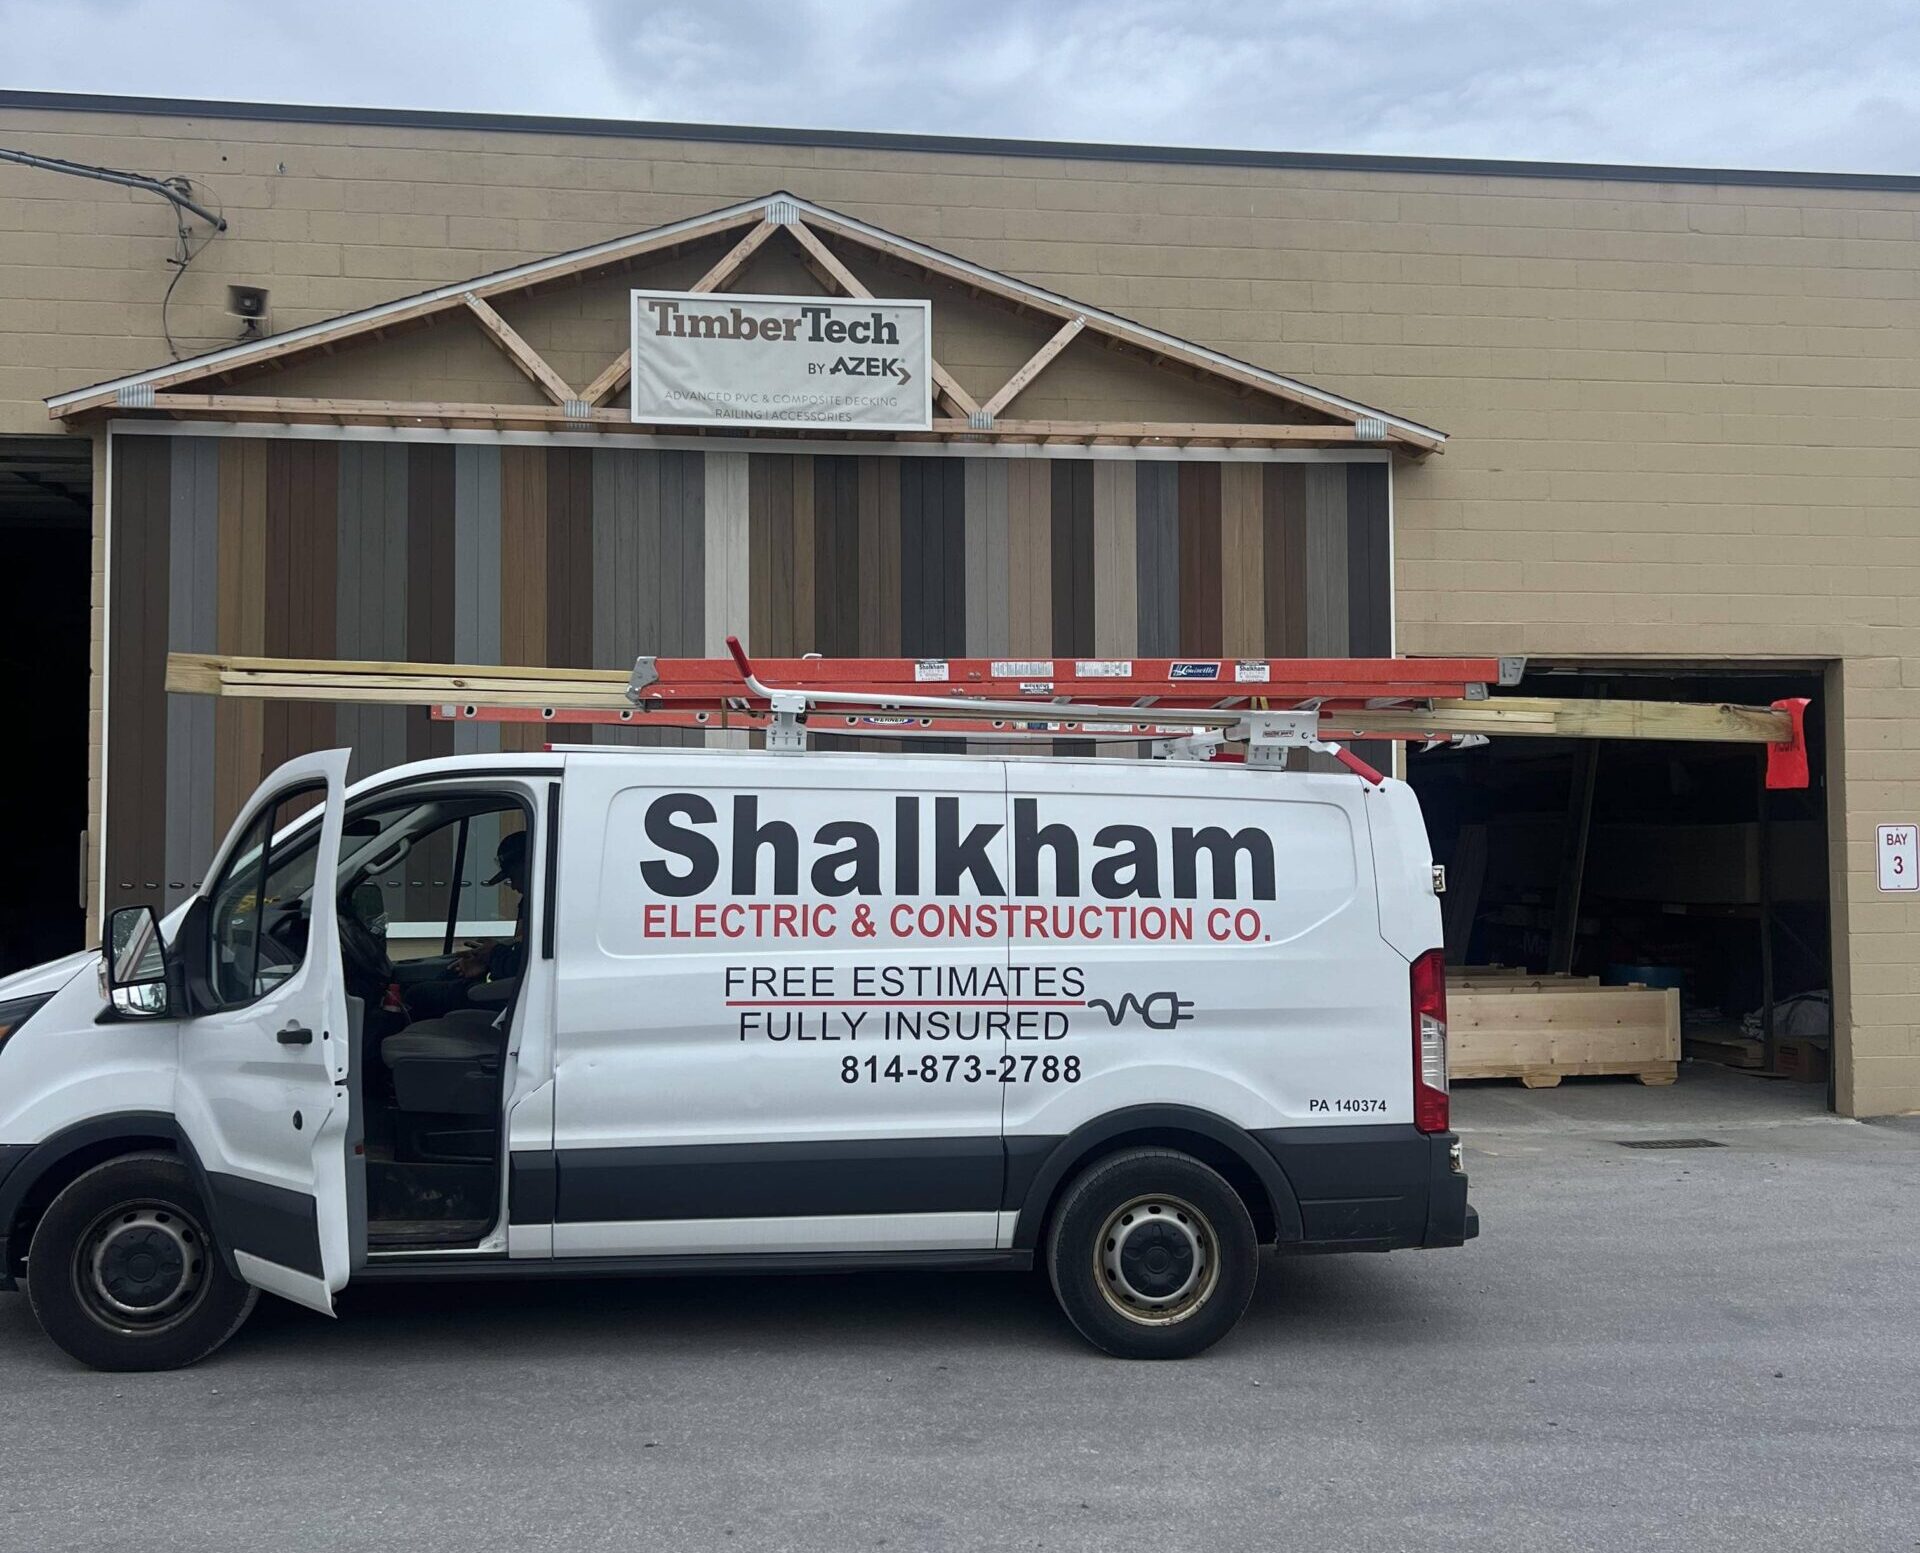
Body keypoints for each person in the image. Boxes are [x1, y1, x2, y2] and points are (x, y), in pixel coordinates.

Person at [452, 829, 529, 983]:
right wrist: (486, 961)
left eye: (513, 877)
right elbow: (520, 944)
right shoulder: (529, 902)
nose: (513, 886)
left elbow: (530, 961)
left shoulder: (552, 909)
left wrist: (494, 954)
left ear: (530, 866)